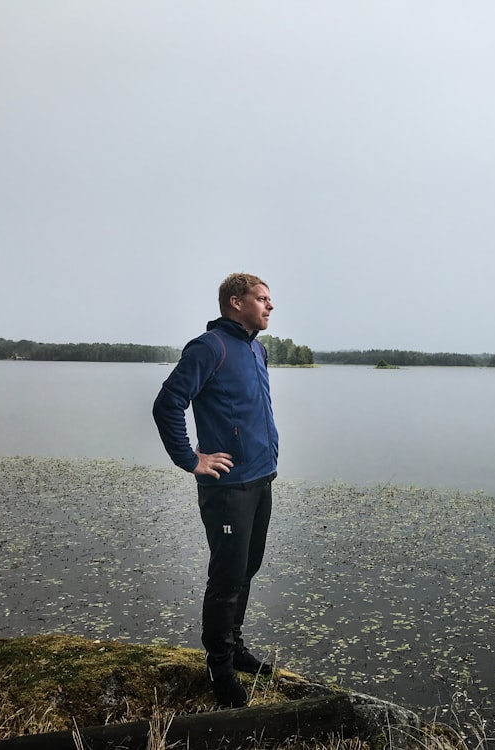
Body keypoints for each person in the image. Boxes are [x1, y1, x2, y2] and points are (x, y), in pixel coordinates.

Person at [152, 272, 279, 708]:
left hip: (260, 480)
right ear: (234, 302)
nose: (270, 306)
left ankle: (236, 646)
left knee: (247, 568)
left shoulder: (256, 349)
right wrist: (192, 460)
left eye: (269, 299)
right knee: (226, 576)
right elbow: (168, 403)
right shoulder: (210, 348)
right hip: (227, 488)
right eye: (261, 299)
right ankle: (219, 669)